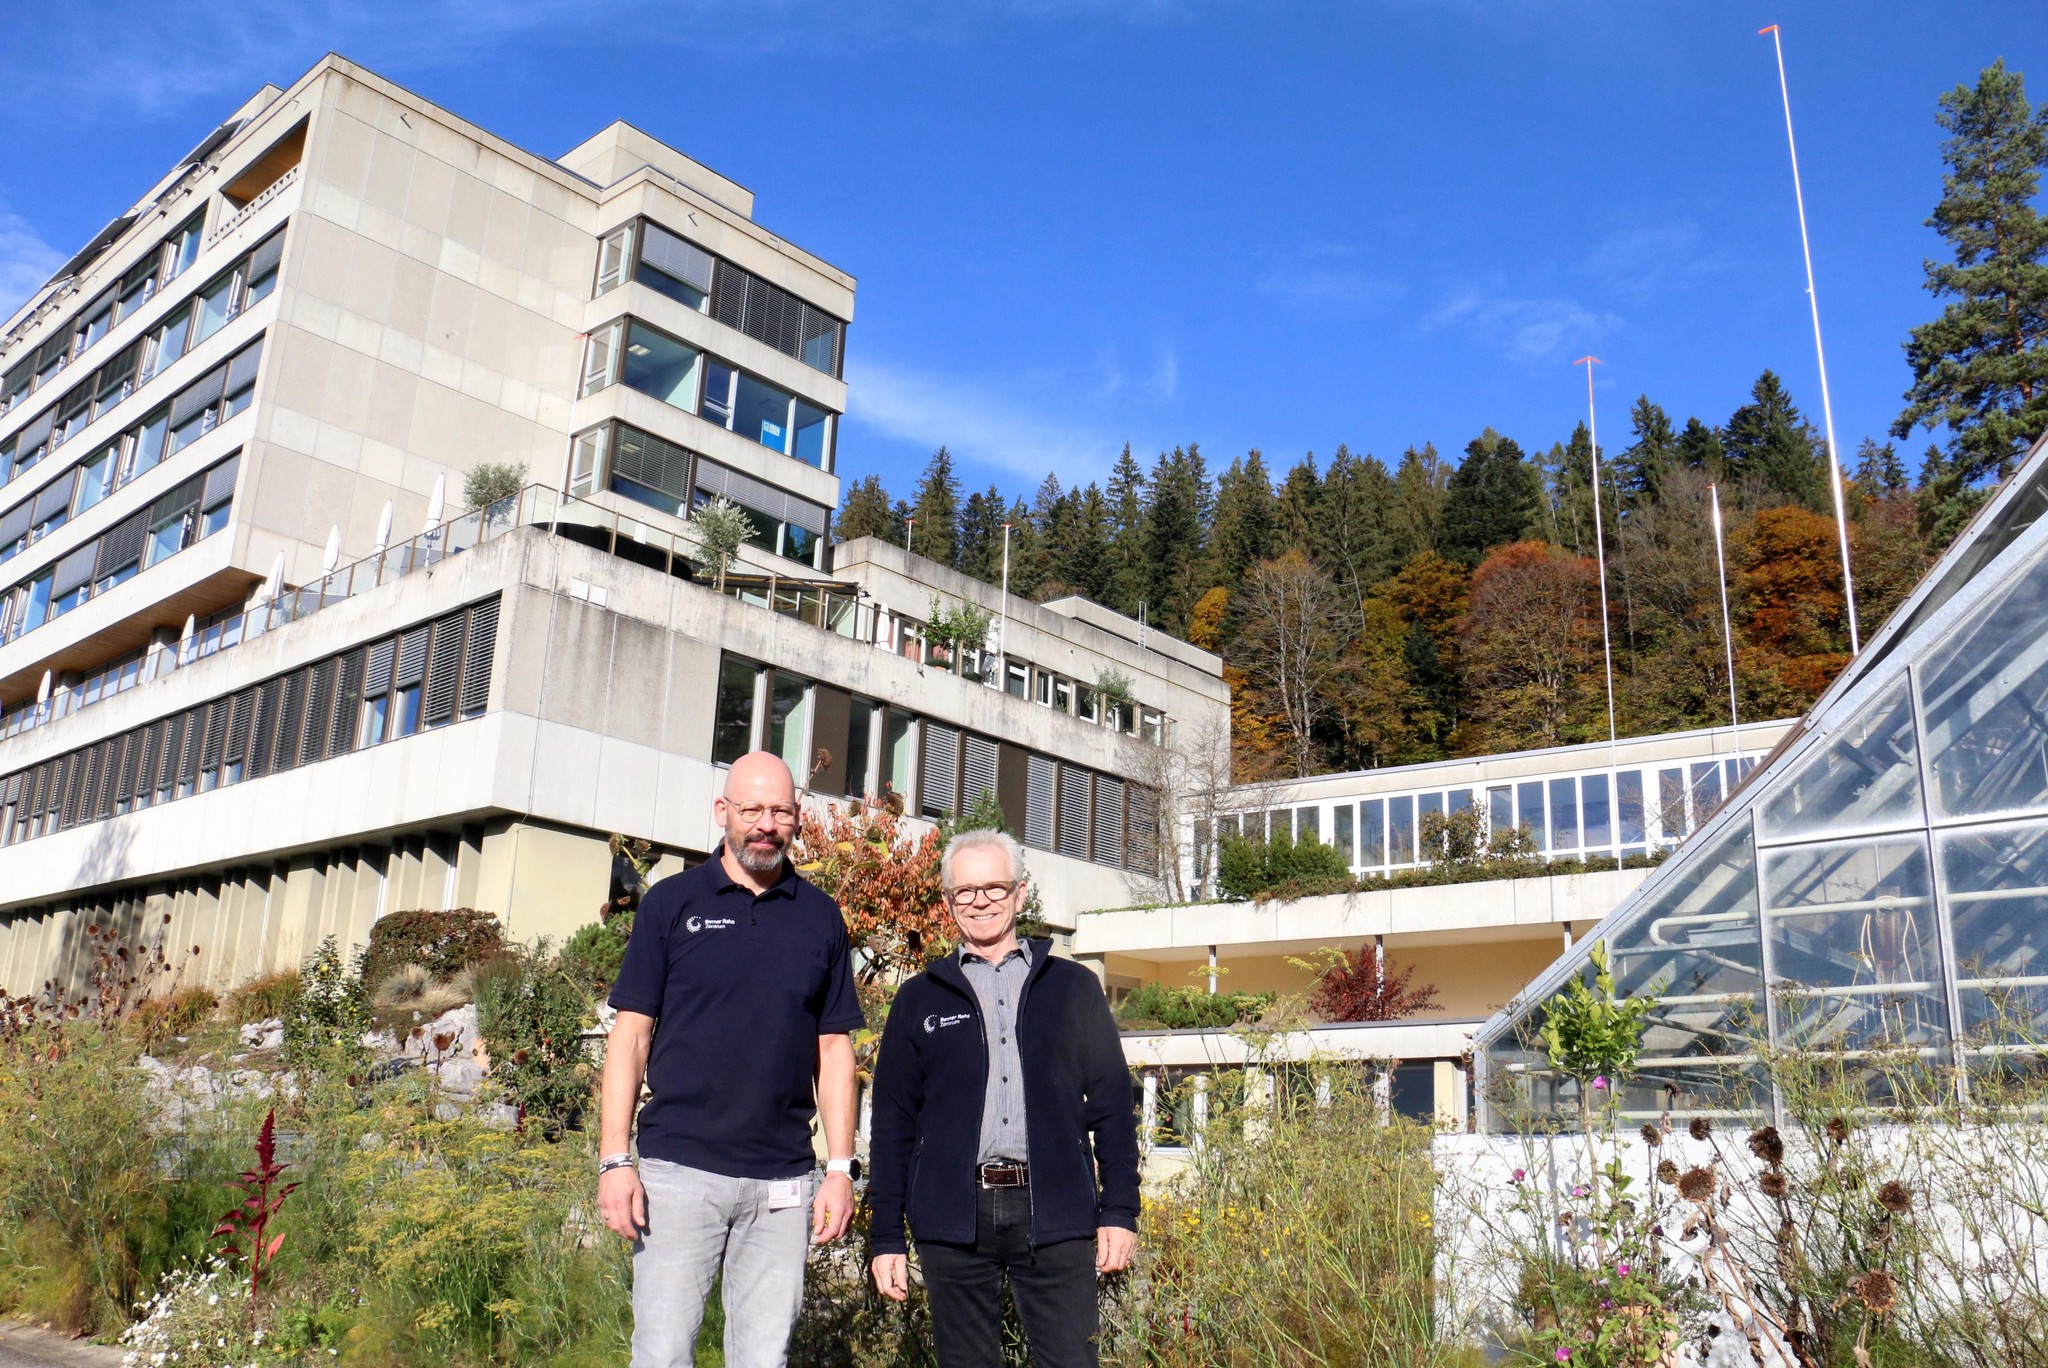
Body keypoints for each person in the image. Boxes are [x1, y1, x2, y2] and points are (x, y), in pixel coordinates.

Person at [596, 752, 865, 1368]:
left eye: (780, 812)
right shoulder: (670, 904)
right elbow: (631, 1036)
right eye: (752, 810)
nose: (765, 824)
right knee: (662, 1355)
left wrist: (841, 1168)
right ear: (723, 812)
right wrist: (615, 1159)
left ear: (797, 820)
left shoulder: (821, 917)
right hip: (677, 1175)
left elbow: (834, 1050)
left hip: (784, 1180)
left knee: (764, 1358)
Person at [867, 828, 1140, 1367]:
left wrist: (1120, 1211)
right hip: (953, 1217)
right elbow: (892, 1123)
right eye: (965, 891)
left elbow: (1111, 1106)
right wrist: (885, 1238)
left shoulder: (1073, 988)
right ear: (948, 902)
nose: (981, 901)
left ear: (1019, 893)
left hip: (1057, 1211)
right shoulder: (919, 999)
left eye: (994, 887)